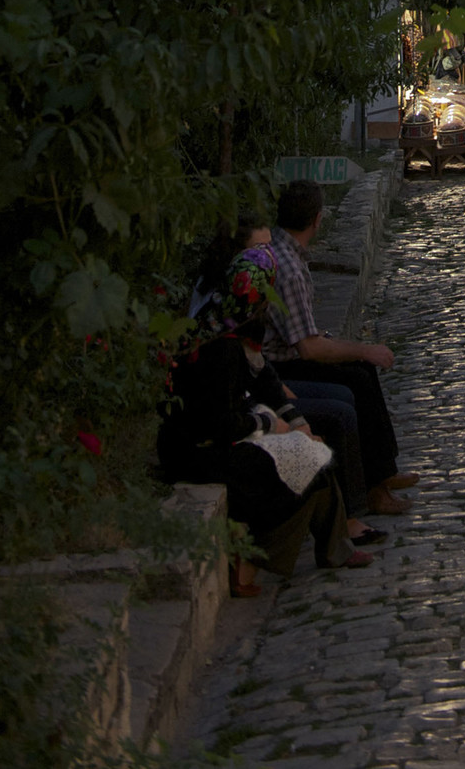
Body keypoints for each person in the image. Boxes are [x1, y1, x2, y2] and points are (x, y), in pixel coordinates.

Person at [158, 252, 371, 588]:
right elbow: (222, 423)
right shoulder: (221, 349)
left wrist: (298, 424)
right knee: (310, 467)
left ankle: (336, 547)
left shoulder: (227, 326)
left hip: (220, 439)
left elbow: (265, 381)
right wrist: (273, 427)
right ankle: (256, 559)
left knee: (316, 454)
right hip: (200, 453)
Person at [194, 219, 378, 540]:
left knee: (331, 413)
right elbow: (229, 407)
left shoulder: (247, 306)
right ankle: (337, 527)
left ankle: (346, 522)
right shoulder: (220, 324)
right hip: (219, 437)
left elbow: (261, 370)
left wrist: (292, 415)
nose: (269, 260)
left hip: (255, 404)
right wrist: (274, 423)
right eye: (259, 251)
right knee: (331, 423)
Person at [264, 181, 416, 518]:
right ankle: (372, 489)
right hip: (280, 368)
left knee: (361, 371)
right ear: (317, 220)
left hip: (285, 356)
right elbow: (308, 349)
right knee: (356, 379)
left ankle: (383, 472)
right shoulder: (288, 269)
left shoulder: (285, 252)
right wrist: (363, 349)